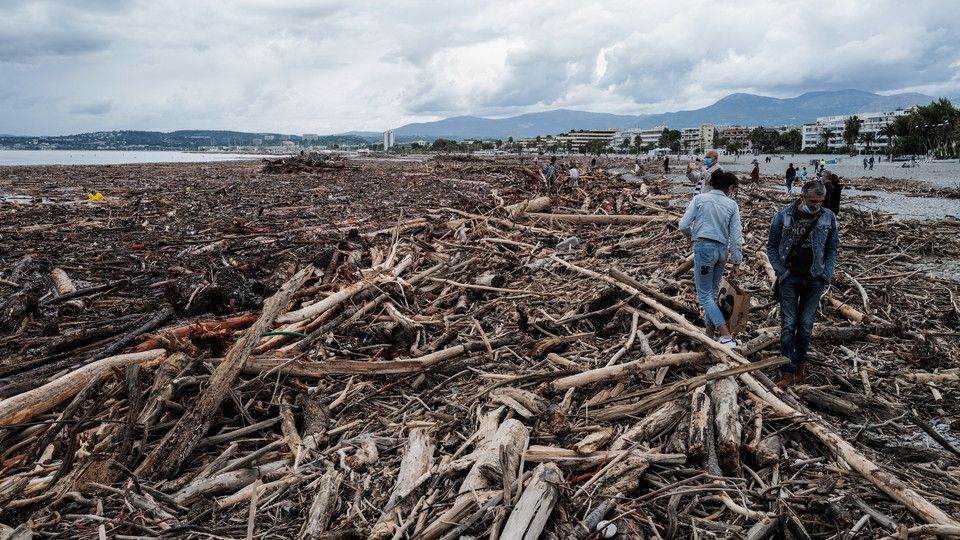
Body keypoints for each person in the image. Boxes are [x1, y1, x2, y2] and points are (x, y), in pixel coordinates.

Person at [766, 180, 840, 386]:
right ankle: (787, 371)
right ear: (802, 196)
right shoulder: (783, 216)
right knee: (788, 324)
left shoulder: (828, 217)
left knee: (806, 326)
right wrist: (781, 271)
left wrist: (826, 274)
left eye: (820, 201)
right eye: (813, 201)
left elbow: (833, 247)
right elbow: (771, 246)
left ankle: (800, 365)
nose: (816, 205)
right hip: (789, 277)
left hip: (815, 278)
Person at [678, 171, 744, 348]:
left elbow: (683, 225)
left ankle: (726, 336)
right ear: (730, 188)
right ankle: (709, 333)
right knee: (712, 293)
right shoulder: (732, 205)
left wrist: (692, 235)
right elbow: (736, 237)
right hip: (722, 251)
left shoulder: (699, 199)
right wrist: (737, 262)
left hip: (704, 249)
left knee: (705, 295)